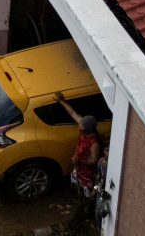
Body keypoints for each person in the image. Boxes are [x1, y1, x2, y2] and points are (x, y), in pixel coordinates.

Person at [54, 91, 102, 220]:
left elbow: (93, 161)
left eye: (80, 125)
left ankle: (88, 209)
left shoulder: (94, 143)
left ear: (86, 129)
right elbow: (73, 113)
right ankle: (83, 203)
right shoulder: (85, 129)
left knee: (89, 194)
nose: (79, 125)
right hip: (79, 169)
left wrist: (79, 162)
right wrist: (61, 101)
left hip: (87, 174)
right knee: (80, 190)